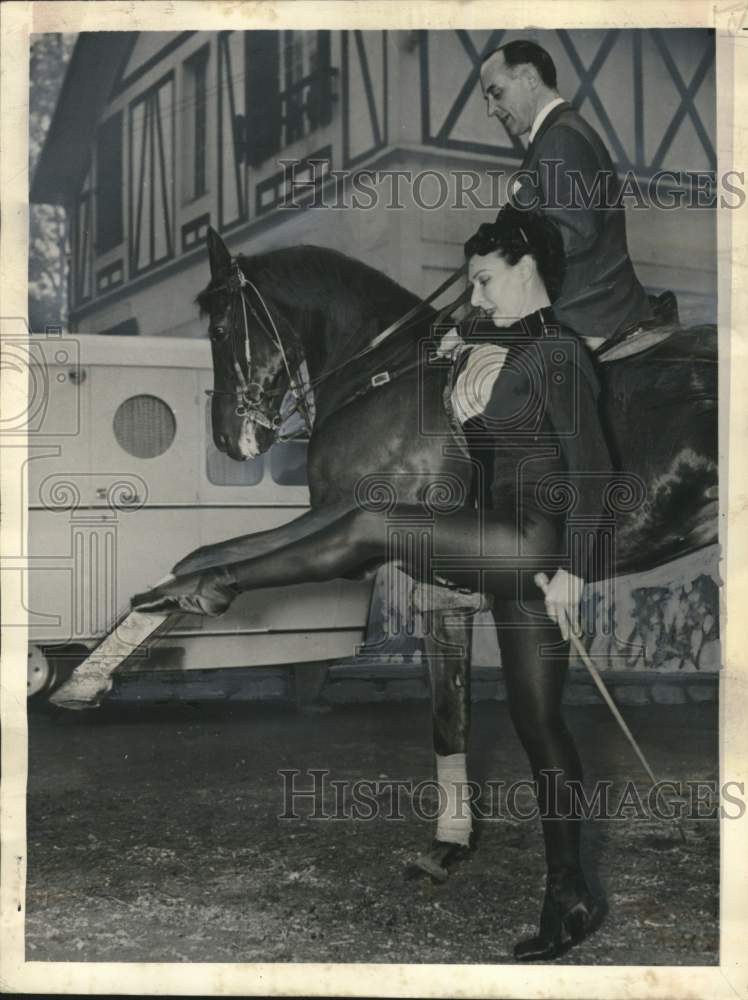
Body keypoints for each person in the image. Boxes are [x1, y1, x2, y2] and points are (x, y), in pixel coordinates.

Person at [132, 206, 612, 961]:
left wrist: (576, 571)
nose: (475, 295)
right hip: (506, 554)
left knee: (374, 521)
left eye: (484, 280)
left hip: (533, 543)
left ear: (526, 266)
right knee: (538, 724)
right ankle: (571, 893)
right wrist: (464, 344)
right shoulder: (499, 340)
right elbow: (469, 362)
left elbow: (595, 469)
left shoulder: (560, 354)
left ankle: (226, 580)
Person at [480, 39, 653, 344]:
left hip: (588, 313)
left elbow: (572, 235)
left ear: (530, 78)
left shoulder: (561, 137)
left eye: (496, 93)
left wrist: (505, 259)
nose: (491, 111)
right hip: (577, 305)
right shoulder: (552, 135)